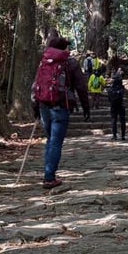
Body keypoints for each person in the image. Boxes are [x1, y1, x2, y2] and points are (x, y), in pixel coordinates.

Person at [33, 36, 89, 189]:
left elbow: (36, 85)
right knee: (56, 142)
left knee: (50, 140)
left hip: (43, 105)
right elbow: (81, 87)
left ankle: (48, 173)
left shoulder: (44, 62)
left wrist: (35, 108)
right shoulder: (70, 63)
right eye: (66, 47)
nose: (68, 50)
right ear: (63, 48)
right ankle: (49, 177)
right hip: (61, 106)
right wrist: (86, 107)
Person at [107, 69, 126, 140]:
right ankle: (123, 135)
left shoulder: (111, 89)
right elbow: (123, 95)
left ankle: (114, 135)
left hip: (113, 105)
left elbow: (109, 98)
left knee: (113, 120)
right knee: (122, 120)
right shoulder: (121, 88)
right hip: (121, 105)